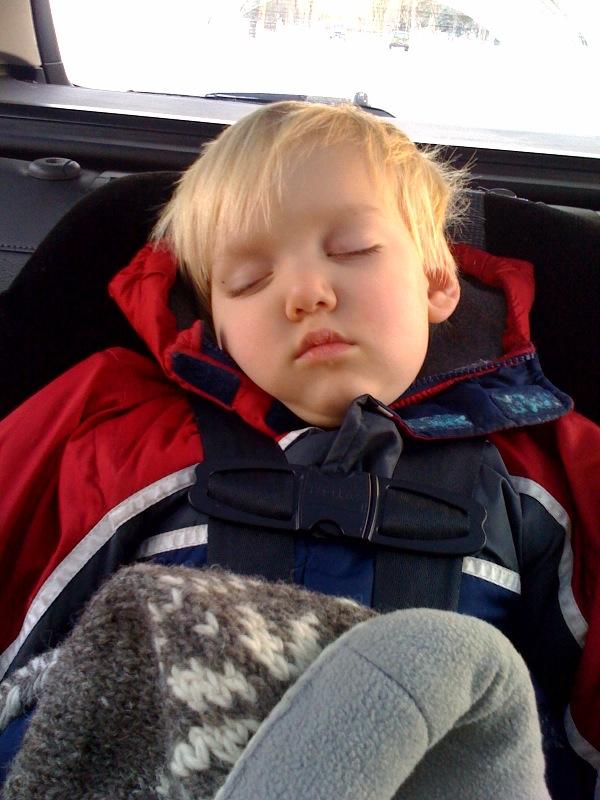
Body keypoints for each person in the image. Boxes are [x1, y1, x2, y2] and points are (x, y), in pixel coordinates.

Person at [0, 101, 598, 797]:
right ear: (217, 325)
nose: (306, 293)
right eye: (249, 281)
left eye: (353, 250)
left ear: (437, 282)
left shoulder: (543, 468)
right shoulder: (118, 435)